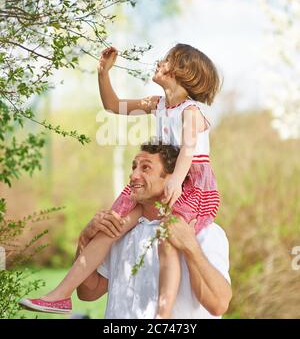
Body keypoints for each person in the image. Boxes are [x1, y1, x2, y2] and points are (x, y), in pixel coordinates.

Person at [19, 43, 221, 318]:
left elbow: (188, 149)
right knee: (110, 227)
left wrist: (175, 181)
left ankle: (162, 316)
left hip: (188, 182)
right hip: (161, 179)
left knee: (168, 240)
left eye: (166, 60)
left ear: (183, 72)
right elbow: (113, 106)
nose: (159, 62)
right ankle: (60, 296)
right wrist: (103, 73)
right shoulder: (156, 104)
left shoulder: (191, 112)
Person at [76, 143, 232, 319]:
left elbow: (219, 305)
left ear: (172, 178)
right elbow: (88, 293)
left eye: (146, 168)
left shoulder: (205, 233)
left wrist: (191, 247)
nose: (133, 175)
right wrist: (84, 241)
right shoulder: (119, 232)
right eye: (134, 167)